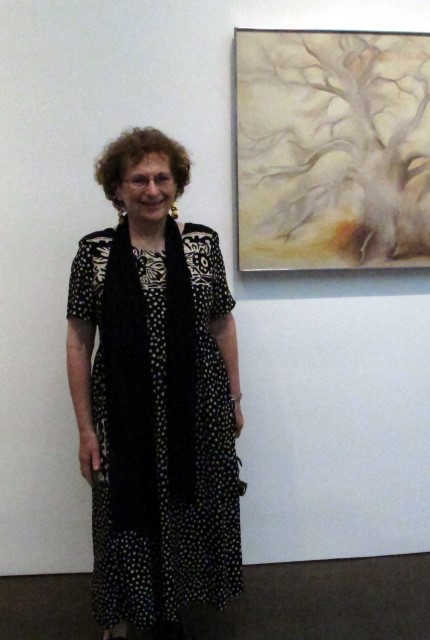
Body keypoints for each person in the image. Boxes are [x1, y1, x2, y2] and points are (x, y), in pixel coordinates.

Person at [66, 127, 244, 640]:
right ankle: (124, 612)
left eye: (162, 178)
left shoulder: (202, 245)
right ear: (117, 189)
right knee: (123, 510)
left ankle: (171, 609)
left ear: (177, 184)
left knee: (188, 509)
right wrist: (86, 429)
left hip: (197, 408)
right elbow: (79, 342)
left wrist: (234, 397)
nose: (152, 190)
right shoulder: (95, 254)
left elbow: (222, 323)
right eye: (138, 179)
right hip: (124, 412)